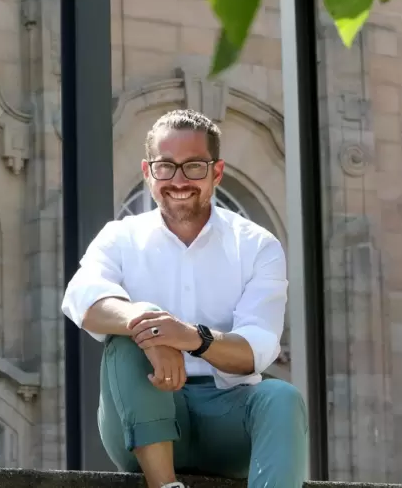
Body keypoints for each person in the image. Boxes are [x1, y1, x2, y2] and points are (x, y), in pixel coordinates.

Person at [61, 109, 307, 488]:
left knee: (282, 397)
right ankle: (165, 486)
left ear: (216, 172)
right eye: (165, 167)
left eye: (193, 167)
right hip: (141, 417)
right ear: (148, 172)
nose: (178, 180)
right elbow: (81, 298)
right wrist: (146, 320)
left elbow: (258, 349)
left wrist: (190, 337)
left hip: (227, 418)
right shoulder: (121, 236)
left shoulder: (258, 245)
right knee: (128, 338)